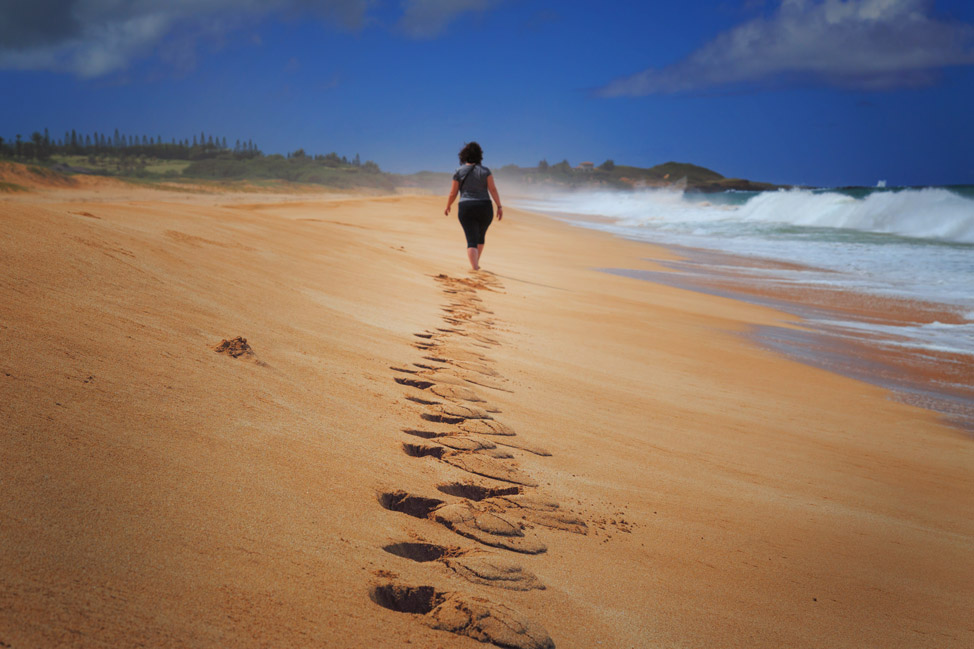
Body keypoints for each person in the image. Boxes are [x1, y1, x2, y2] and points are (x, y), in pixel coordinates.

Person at [444, 141, 503, 271]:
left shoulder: (458, 172)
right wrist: (499, 206)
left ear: (464, 156)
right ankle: (476, 264)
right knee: (480, 237)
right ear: (479, 156)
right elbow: (492, 189)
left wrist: (448, 205)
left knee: (471, 240)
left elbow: (453, 192)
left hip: (466, 207)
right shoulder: (485, 171)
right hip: (485, 207)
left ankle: (475, 267)